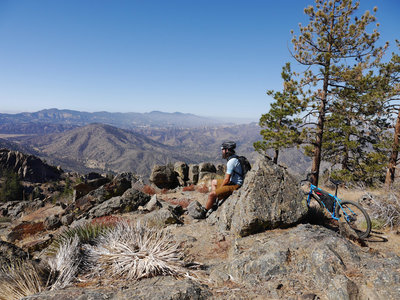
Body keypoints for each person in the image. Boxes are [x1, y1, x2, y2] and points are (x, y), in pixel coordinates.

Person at [205, 141, 243, 215]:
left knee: (211, 194)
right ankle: (214, 203)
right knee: (214, 182)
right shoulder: (234, 158)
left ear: (227, 150)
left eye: (223, 150)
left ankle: (204, 211)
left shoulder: (231, 161)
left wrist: (219, 190)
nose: (222, 152)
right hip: (233, 181)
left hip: (236, 185)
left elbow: (226, 180)